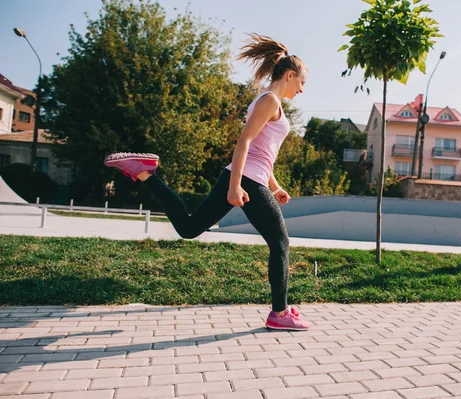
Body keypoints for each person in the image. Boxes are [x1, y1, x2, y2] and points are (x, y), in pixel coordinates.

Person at [104, 34, 309, 331]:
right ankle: (279, 313)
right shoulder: (270, 101)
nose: (302, 89)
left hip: (246, 177)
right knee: (280, 243)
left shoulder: (269, 101)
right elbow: (244, 143)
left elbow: (262, 152)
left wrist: (274, 186)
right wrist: (235, 186)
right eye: (302, 82)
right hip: (246, 181)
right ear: (290, 75)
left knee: (188, 228)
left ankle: (147, 173)